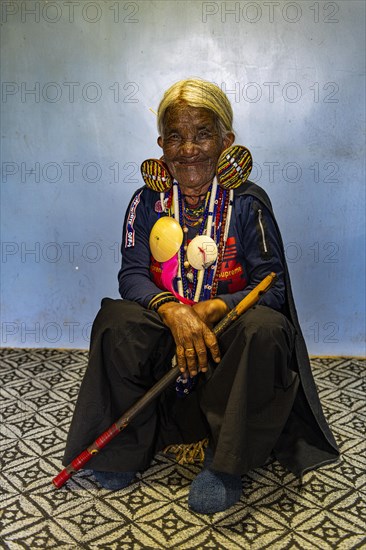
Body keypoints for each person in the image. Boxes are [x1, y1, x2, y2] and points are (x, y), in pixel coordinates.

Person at [63, 78, 339, 514]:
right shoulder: (147, 201)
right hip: (166, 331)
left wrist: (213, 308)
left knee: (266, 329)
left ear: (227, 141)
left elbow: (273, 285)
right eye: (175, 136)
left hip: (226, 336)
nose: (188, 149)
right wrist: (174, 311)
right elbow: (132, 275)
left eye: (202, 134)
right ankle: (122, 452)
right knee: (115, 320)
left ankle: (225, 464)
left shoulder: (248, 203)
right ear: (161, 145)